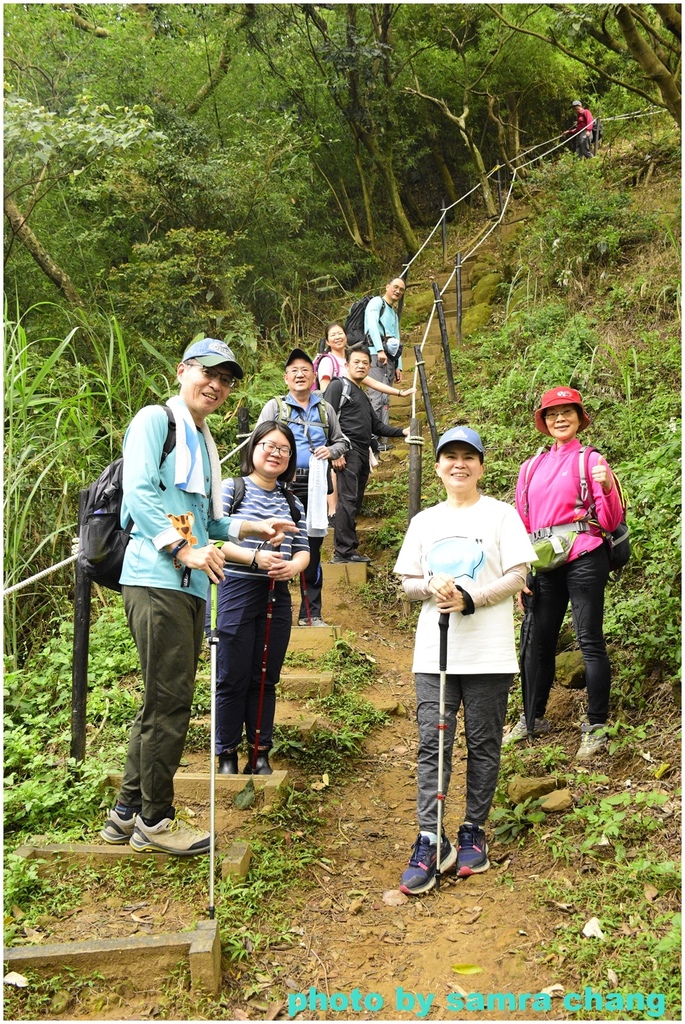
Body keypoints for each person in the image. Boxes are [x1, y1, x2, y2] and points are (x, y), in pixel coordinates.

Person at [100, 339, 295, 856]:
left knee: (161, 700)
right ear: (183, 370)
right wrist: (183, 548)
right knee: (170, 702)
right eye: (208, 373)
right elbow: (139, 492)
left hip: (188, 585)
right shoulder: (154, 422)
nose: (216, 385)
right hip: (156, 577)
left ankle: (125, 814)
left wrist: (256, 526)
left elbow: (207, 521)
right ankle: (155, 821)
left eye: (227, 380)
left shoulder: (202, 442)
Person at [394, 426, 535, 894]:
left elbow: (519, 574)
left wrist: (472, 599)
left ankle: (473, 829)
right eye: (449, 457)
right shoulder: (424, 521)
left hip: (488, 652)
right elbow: (408, 582)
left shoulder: (501, 516)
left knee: (483, 742)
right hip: (433, 653)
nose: (459, 464)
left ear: (480, 465)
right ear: (437, 467)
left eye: (468, 457)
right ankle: (430, 837)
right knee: (432, 745)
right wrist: (430, 587)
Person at [505, 387, 623, 759]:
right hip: (542, 560)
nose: (560, 418)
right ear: (543, 420)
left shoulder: (591, 460)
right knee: (539, 641)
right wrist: (521, 571)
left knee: (589, 638)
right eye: (552, 413)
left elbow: (609, 521)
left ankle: (597, 725)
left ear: (579, 417)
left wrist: (606, 486)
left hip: (586, 554)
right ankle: (532, 717)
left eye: (567, 411)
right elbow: (522, 524)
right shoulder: (531, 467)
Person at [212, 421, 309, 776]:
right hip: (235, 588)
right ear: (253, 448)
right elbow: (214, 538)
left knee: (266, 675)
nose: (276, 453)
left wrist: (292, 567)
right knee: (231, 674)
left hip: (275, 594)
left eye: (283, 449)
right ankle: (226, 754)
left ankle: (260, 752)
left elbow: (303, 550)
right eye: (269, 445)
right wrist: (253, 558)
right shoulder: (230, 489)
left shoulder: (291, 500)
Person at [257, 348, 349, 626]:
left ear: (313, 376)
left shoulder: (325, 409)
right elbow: (258, 444)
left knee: (312, 547)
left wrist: (330, 452)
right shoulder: (276, 408)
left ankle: (311, 613)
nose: (299, 374)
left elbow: (343, 442)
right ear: (286, 378)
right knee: (276, 543)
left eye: (305, 370)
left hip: (315, 485)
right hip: (281, 486)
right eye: (293, 370)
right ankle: (272, 609)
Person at [316, 322, 416, 519]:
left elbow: (373, 383)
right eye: (333, 335)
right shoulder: (329, 363)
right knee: (342, 486)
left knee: (353, 498)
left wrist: (400, 393)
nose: (338, 337)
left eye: (341, 333)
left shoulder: (354, 366)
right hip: (341, 432)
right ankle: (332, 511)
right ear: (327, 341)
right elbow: (326, 400)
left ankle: (344, 532)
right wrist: (334, 447)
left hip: (356, 435)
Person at [327, 346, 409, 565]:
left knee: (355, 500)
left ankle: (349, 549)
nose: (361, 365)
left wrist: (402, 432)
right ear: (347, 365)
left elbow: (377, 425)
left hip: (363, 452)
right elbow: (326, 418)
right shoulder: (338, 386)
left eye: (365, 362)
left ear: (369, 366)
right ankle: (343, 552)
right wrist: (335, 451)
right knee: (347, 499)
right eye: (357, 362)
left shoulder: (361, 394)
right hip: (347, 450)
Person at [364, 278, 406, 440]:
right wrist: (379, 349)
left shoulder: (393, 314)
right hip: (375, 355)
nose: (398, 291)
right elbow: (372, 326)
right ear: (387, 286)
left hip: (389, 359)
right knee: (376, 397)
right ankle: (371, 441)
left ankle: (384, 440)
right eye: (395, 287)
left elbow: (397, 338)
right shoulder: (376, 303)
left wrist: (398, 365)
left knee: (385, 398)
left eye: (401, 289)